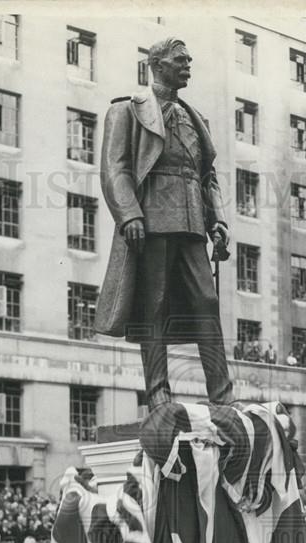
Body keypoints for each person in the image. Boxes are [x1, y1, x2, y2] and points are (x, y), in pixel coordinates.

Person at [94, 37, 233, 411]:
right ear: (156, 64)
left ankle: (222, 397)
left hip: (191, 223)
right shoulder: (126, 110)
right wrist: (129, 214)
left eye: (189, 59)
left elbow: (208, 177)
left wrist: (217, 220)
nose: (188, 64)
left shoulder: (195, 118)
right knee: (151, 307)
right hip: (152, 221)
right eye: (180, 60)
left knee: (207, 301)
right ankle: (158, 394)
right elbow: (115, 169)